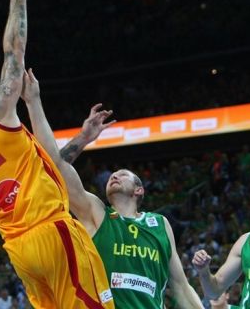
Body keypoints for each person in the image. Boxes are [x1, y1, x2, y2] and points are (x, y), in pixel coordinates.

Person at [0, 0, 114, 308]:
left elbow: (47, 164)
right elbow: (13, 53)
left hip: (20, 251)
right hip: (50, 231)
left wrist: (82, 140)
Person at [21, 69, 204, 308]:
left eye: (124, 175)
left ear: (139, 190)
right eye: (112, 175)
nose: (114, 175)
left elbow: (180, 286)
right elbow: (54, 167)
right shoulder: (97, 213)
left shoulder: (160, 224)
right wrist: (35, 102)